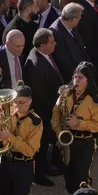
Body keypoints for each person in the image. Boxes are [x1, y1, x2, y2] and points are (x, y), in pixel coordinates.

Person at [52, 62, 98, 195]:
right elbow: (56, 115)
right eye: (75, 76)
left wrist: (79, 123)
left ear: (89, 79)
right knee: (68, 173)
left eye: (80, 77)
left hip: (85, 142)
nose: (76, 80)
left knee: (81, 176)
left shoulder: (97, 101)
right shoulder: (65, 94)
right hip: (66, 139)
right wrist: (59, 134)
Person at [23, 29, 64, 186]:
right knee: (40, 145)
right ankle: (39, 174)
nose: (55, 44)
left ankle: (47, 167)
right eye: (52, 42)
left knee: (47, 141)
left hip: (50, 109)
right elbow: (40, 95)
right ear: (42, 46)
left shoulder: (44, 55)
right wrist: (55, 109)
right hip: (43, 112)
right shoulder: (35, 65)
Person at [50, 3, 91, 82]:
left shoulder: (72, 26)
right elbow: (64, 63)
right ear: (73, 19)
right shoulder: (55, 33)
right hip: (73, 79)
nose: (81, 19)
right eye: (80, 17)